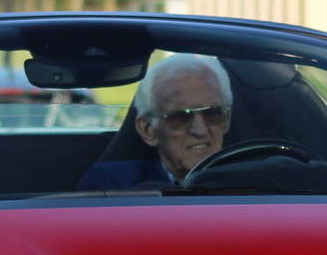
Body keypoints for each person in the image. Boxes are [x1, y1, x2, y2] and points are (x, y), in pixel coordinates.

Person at [81, 53, 232, 189]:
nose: (200, 130)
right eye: (181, 117)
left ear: (227, 119)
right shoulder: (115, 186)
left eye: (212, 113)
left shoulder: (249, 182)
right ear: (148, 130)